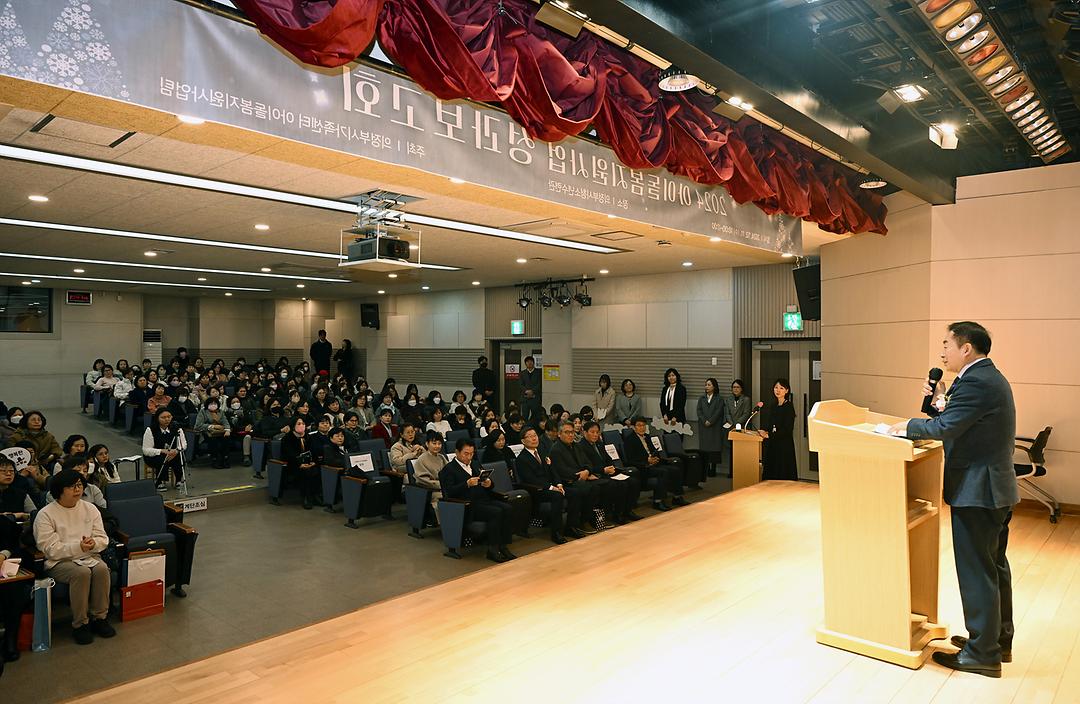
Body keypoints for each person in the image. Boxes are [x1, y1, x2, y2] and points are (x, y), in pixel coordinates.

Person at [889, 321, 1018, 678]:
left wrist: (904, 427)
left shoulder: (977, 381)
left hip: (979, 490)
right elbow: (955, 420)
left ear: (967, 348)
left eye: (947, 343)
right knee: (992, 568)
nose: (942, 350)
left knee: (977, 570)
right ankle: (995, 641)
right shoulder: (984, 378)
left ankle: (982, 654)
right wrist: (939, 400)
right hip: (992, 489)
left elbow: (945, 429)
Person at [33, 469, 116, 645]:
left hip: (89, 555)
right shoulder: (46, 514)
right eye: (71, 487)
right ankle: (80, 624)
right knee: (81, 573)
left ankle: (100, 618)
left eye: (79, 485)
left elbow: (103, 538)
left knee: (101, 569)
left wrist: (94, 544)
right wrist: (78, 547)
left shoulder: (90, 508)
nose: (77, 490)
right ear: (59, 490)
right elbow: (50, 549)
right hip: (59, 562)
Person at [438, 439, 516, 563]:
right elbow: (449, 492)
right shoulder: (449, 469)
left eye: (472, 453)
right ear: (457, 452)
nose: (469, 457)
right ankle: (492, 549)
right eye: (466, 453)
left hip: (484, 499)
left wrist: (488, 484)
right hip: (467, 505)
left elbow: (489, 484)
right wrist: (466, 484)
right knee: (495, 512)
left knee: (507, 508)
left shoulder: (475, 464)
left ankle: (503, 545)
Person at [578, 421, 642, 523]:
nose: (595, 435)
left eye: (597, 432)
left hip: (608, 472)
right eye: (592, 432)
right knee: (622, 485)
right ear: (585, 432)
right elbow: (587, 466)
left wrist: (612, 467)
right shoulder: (581, 446)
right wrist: (603, 470)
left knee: (633, 481)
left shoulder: (599, 443)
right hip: (597, 475)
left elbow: (608, 459)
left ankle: (628, 511)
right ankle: (617, 514)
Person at [514, 428, 569, 543]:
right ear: (523, 441)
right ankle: (556, 533)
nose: (534, 438)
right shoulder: (521, 459)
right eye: (529, 436)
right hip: (536, 490)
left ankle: (572, 526)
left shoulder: (543, 452)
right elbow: (531, 480)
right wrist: (551, 488)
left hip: (549, 486)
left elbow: (553, 470)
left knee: (573, 490)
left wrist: (559, 484)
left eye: (535, 435)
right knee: (557, 496)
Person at [622, 417, 688, 511]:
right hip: (643, 467)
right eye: (639, 426)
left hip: (653, 464)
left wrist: (655, 458)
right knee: (663, 472)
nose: (642, 428)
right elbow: (630, 459)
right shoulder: (629, 440)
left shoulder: (647, 437)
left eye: (643, 425)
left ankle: (677, 497)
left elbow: (654, 451)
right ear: (633, 427)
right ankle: (658, 501)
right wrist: (647, 460)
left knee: (675, 469)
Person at [758, 379, 797, 481]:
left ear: (787, 391)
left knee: (783, 474)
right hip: (773, 444)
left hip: (784, 445)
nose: (778, 390)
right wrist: (765, 431)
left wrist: (770, 435)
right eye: (776, 387)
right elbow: (771, 425)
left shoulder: (788, 407)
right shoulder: (773, 405)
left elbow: (787, 430)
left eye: (781, 388)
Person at [142, 408, 187, 492]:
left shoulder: (177, 428)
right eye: (163, 417)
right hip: (155, 455)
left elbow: (183, 444)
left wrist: (176, 451)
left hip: (172, 453)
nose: (167, 419)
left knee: (180, 457)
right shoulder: (150, 430)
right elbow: (146, 450)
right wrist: (162, 451)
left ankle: (178, 480)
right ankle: (160, 481)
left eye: (169, 417)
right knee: (162, 458)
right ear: (157, 418)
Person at [281, 417, 319, 509]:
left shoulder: (308, 437)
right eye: (298, 424)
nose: (301, 426)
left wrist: (313, 462)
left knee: (318, 470)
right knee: (306, 472)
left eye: (303, 423)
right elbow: (289, 455)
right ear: (293, 426)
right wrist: (299, 464)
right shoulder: (287, 438)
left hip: (308, 463)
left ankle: (317, 496)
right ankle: (306, 497)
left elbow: (314, 451)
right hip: (293, 465)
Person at [411, 431, 446, 523]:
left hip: (444, 487)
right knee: (444, 497)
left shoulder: (441, 457)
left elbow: (449, 473)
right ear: (427, 444)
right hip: (431, 490)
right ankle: (447, 525)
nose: (437, 446)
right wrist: (442, 485)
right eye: (434, 443)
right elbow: (423, 480)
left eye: (439, 444)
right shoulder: (422, 459)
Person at [696, 377, 725, 477]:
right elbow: (699, 411)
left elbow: (719, 411)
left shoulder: (719, 399)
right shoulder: (702, 398)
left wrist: (711, 421)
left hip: (715, 426)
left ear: (714, 386)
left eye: (709, 385)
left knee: (714, 448)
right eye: (706, 385)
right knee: (705, 448)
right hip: (704, 426)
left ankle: (713, 468)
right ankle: (706, 468)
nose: (706, 387)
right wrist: (704, 420)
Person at [723, 379, 752, 473]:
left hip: (741, 427)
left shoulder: (746, 399)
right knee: (731, 449)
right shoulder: (728, 399)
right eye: (734, 387)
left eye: (737, 387)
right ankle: (731, 471)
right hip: (731, 427)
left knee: (741, 450)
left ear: (741, 389)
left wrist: (737, 423)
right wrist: (731, 423)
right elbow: (727, 413)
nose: (735, 389)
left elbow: (746, 413)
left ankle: (740, 471)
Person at [195, 397, 233, 469]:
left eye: (215, 403)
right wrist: (213, 426)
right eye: (211, 403)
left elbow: (225, 422)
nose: (213, 405)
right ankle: (214, 460)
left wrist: (227, 430)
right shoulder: (203, 412)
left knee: (226, 438)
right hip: (207, 433)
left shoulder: (220, 412)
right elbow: (198, 425)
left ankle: (225, 459)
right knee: (213, 439)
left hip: (220, 432)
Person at [519, 356, 542, 423]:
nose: (529, 363)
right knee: (524, 416)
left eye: (531, 361)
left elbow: (539, 384)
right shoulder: (522, 373)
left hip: (535, 398)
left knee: (536, 416)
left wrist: (532, 391)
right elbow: (520, 385)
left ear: (533, 363)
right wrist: (526, 391)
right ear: (525, 363)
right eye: (527, 362)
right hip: (525, 399)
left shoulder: (539, 372)